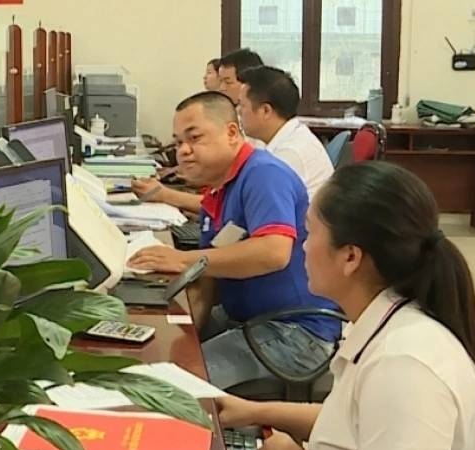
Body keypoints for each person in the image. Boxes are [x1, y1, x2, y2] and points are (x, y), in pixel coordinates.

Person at [218, 162, 475, 450]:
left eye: (311, 232)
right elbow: (359, 425)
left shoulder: (405, 365)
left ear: (351, 256)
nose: (302, 245)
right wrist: (253, 412)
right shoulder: (393, 325)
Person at [129, 91, 340, 389]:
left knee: (172, 386)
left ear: (231, 133)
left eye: (195, 138)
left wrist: (183, 259)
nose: (183, 151)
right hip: (248, 318)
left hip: (293, 332)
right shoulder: (221, 186)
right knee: (157, 352)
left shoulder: (263, 174)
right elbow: (209, 275)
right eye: (178, 142)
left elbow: (274, 251)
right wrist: (190, 331)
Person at [237, 66, 334, 198]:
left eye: (242, 105)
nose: (238, 111)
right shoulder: (276, 138)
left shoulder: (290, 154)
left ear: (266, 111)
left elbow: (256, 202)